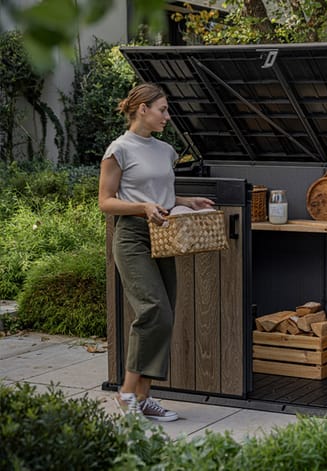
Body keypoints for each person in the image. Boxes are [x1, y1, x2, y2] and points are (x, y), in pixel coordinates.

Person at [98, 83, 214, 421]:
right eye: (162, 109)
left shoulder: (166, 150)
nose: (167, 115)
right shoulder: (119, 149)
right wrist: (143, 207)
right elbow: (106, 201)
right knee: (152, 310)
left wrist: (185, 201)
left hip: (164, 236)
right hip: (133, 237)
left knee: (164, 316)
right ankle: (126, 393)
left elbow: (160, 193)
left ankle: (145, 398)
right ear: (142, 109)